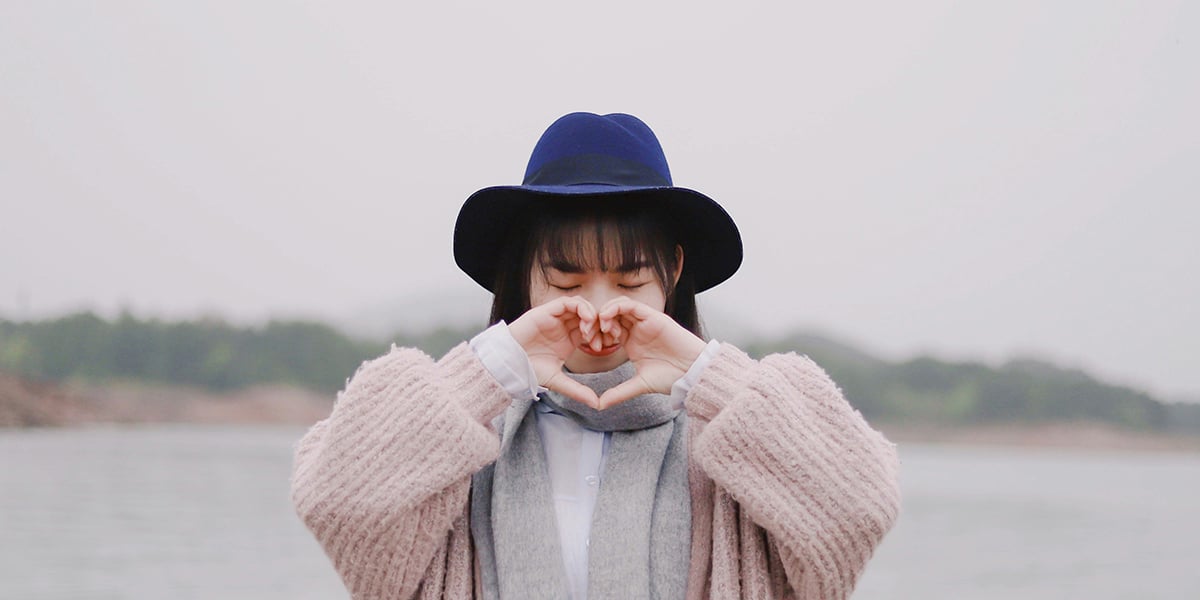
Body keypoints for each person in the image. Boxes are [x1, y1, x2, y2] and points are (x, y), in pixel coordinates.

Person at [291, 112, 900, 600]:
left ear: (674, 272)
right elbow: (335, 502)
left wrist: (708, 376)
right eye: (565, 281)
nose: (599, 312)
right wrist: (491, 369)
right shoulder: (461, 438)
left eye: (631, 282)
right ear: (523, 275)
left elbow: (860, 506)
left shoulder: (735, 441)